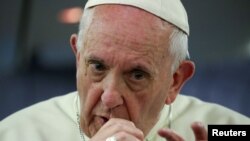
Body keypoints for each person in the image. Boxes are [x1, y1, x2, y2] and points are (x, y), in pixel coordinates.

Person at [0, 0, 249, 141]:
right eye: (97, 67)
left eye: (136, 75)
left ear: (175, 81)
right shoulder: (16, 133)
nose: (109, 96)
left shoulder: (227, 130)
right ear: (78, 57)